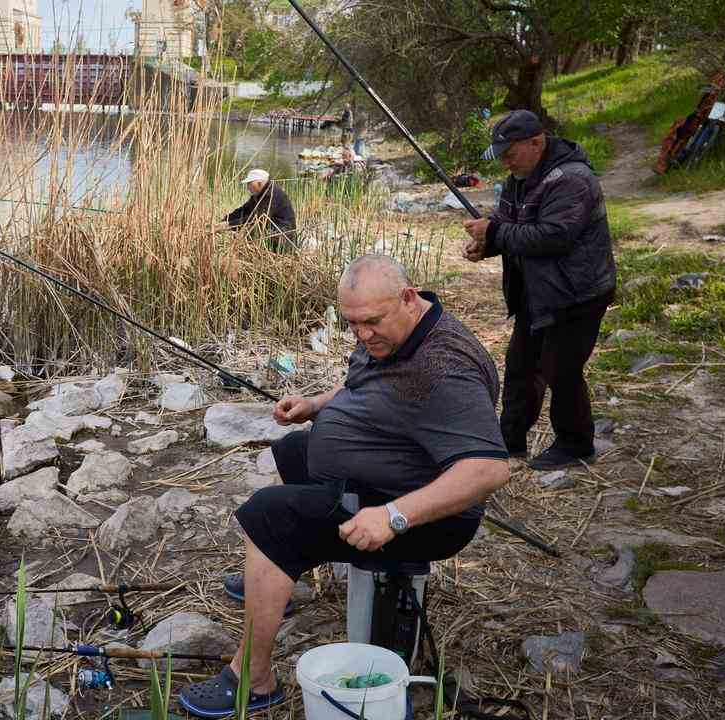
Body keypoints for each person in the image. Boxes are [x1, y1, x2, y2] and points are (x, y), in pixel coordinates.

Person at [177, 255, 512, 719]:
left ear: (408, 299)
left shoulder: (444, 369)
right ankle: (278, 574)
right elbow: (363, 384)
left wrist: (393, 516)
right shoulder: (393, 336)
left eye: (372, 323)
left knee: (268, 515)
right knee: (294, 449)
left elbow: (488, 470)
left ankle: (254, 680)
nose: (363, 334)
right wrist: (315, 404)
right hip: (385, 475)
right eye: (353, 324)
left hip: (427, 516)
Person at [462, 109, 616, 470]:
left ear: (536, 142)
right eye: (499, 154)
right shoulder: (520, 176)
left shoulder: (573, 179)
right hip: (537, 290)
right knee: (520, 365)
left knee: (560, 369)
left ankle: (576, 445)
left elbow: (554, 236)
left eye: (509, 152)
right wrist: (489, 244)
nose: (504, 161)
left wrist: (495, 233)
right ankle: (509, 442)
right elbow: (510, 225)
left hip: (577, 293)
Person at [217, 169, 298, 252]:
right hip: (270, 232)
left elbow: (257, 218)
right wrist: (225, 219)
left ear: (259, 183)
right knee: (244, 235)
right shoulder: (259, 193)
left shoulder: (271, 194)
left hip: (282, 238)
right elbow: (244, 210)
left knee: (246, 236)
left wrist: (229, 225)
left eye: (249, 184)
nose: (248, 187)